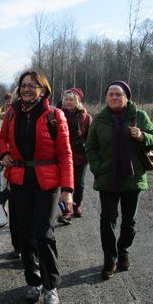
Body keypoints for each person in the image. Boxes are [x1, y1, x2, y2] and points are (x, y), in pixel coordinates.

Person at [0, 71, 74, 304]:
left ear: (43, 90)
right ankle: (34, 281)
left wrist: (68, 189)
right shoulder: (12, 113)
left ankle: (51, 285)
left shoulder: (54, 115)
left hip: (47, 183)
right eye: (23, 85)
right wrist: (4, 153)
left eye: (32, 85)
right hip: (20, 180)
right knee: (24, 233)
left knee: (44, 233)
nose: (26, 89)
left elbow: (65, 154)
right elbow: (1, 139)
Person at [85, 80, 153, 280]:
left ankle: (123, 250)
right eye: (111, 94)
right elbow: (90, 147)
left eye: (118, 94)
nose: (114, 97)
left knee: (129, 221)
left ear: (127, 98)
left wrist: (142, 136)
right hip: (108, 177)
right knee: (107, 220)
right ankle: (109, 260)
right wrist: (98, 167)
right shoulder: (99, 120)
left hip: (132, 178)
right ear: (106, 98)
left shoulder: (139, 116)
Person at [58, 87, 93, 223]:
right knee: (64, 186)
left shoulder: (86, 118)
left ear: (77, 101)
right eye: (66, 100)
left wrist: (82, 144)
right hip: (63, 156)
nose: (68, 102)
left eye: (71, 100)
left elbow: (91, 138)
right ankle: (65, 211)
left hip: (80, 157)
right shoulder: (58, 115)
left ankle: (77, 205)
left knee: (79, 184)